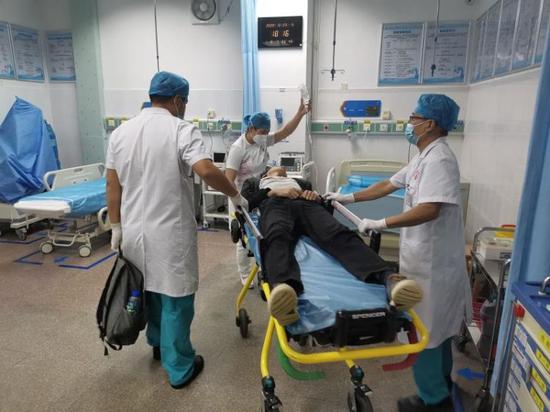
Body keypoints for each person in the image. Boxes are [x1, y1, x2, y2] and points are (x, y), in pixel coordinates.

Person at [326, 94, 471, 412]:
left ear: (429, 123)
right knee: (438, 332)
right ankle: (441, 390)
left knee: (426, 333)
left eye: (414, 117)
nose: (409, 122)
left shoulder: (439, 160)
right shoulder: (422, 157)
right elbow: (388, 184)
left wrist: (382, 222)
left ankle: (434, 401)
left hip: (434, 267)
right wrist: (348, 198)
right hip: (423, 261)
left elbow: (430, 209)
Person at [105, 71, 248, 390]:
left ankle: (158, 344)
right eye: (185, 101)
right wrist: (235, 195)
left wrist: (115, 226)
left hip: (133, 233)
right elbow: (206, 169)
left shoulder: (121, 133)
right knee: (176, 298)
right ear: (177, 100)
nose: (184, 107)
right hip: (169, 233)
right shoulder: (182, 130)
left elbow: (112, 185)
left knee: (148, 291)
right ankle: (180, 367)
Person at [241, 167, 423, 326]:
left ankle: (389, 278)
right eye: (275, 169)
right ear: (266, 174)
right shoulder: (256, 183)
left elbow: (325, 206)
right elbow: (246, 204)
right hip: (274, 205)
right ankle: (284, 291)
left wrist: (315, 198)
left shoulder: (300, 183)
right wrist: (271, 192)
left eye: (284, 172)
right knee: (276, 236)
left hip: (306, 204)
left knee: (338, 234)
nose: (281, 170)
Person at [225, 101, 310, 287]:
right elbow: (228, 180)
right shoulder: (238, 148)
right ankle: (245, 273)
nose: (265, 136)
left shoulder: (261, 141)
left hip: (261, 193)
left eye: (267, 132)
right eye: (262, 132)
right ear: (251, 129)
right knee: (244, 237)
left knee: (263, 229)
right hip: (240, 195)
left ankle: (265, 264)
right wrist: (238, 202)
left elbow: (286, 131)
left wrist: (300, 113)